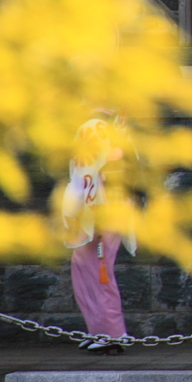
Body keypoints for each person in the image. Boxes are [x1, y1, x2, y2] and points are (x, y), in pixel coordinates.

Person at [62, 111, 137, 353]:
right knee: (83, 267)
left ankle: (113, 332)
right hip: (95, 207)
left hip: (105, 210)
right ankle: (97, 329)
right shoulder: (99, 127)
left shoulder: (98, 128)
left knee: (99, 270)